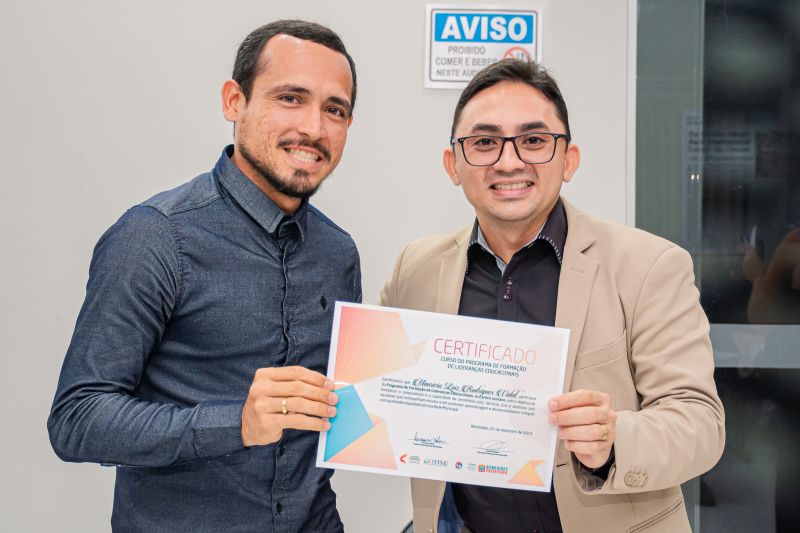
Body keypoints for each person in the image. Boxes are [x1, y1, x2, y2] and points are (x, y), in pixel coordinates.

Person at [379, 59, 725, 533]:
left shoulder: (649, 266)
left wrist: (614, 440)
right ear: (453, 164)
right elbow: (379, 393)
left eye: (534, 141)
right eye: (484, 143)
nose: (509, 162)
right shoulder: (415, 270)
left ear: (569, 159)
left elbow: (700, 423)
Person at [48, 20, 360, 533]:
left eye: (335, 109)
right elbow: (77, 420)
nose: (314, 127)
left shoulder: (338, 252)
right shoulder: (155, 235)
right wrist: (236, 423)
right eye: (290, 98)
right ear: (234, 101)